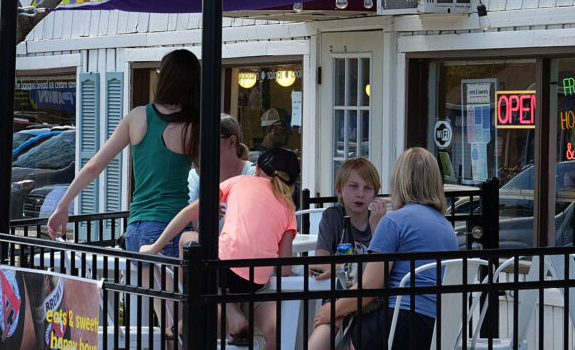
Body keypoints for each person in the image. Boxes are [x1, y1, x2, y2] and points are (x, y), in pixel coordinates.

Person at [141, 148, 300, 350]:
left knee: (187, 240)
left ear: (257, 168)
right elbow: (284, 268)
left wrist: (155, 247)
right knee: (273, 332)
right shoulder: (289, 208)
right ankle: (215, 315)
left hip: (222, 269)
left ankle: (208, 314)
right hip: (253, 282)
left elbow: (188, 213)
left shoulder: (239, 181)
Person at [47, 49, 199, 255]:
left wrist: (63, 206)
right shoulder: (193, 125)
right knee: (175, 288)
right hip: (171, 227)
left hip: (136, 227)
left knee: (144, 288)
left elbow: (94, 166)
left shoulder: (137, 116)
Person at [312, 147, 458, 349]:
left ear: (398, 181)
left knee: (341, 316)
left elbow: (370, 287)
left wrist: (330, 310)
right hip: (435, 327)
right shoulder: (446, 227)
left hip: (396, 322)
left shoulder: (394, 221)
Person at [308, 157, 386, 350]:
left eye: (368, 188)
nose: (360, 194)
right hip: (339, 295)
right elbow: (319, 265)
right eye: (353, 186)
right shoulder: (332, 217)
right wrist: (345, 268)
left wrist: (377, 226)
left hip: (371, 302)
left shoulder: (381, 222)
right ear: (339, 190)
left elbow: (380, 267)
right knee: (319, 339)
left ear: (375, 194)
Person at [182, 113, 256, 243]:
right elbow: (189, 226)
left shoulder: (252, 174)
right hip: (208, 257)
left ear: (232, 141)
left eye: (210, 139)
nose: (203, 146)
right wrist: (205, 214)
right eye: (200, 140)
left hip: (242, 255)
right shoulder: (196, 176)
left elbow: (256, 225)